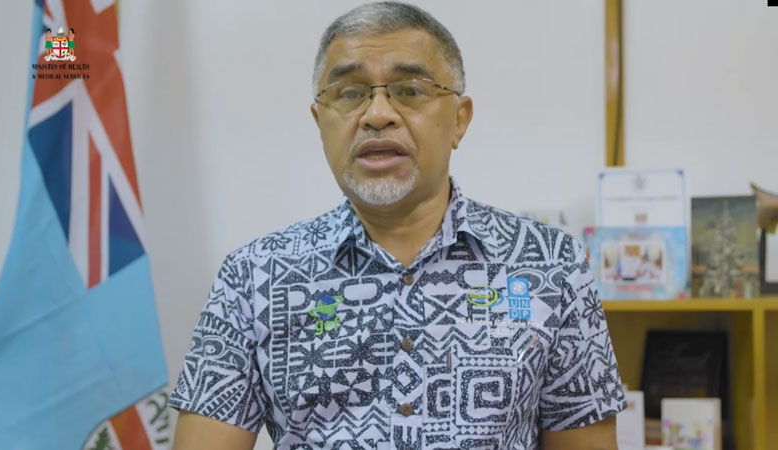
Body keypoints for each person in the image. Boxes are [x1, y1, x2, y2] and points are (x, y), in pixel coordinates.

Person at [169, 2, 626, 449]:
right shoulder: (254, 277)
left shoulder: (551, 266)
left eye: (409, 90)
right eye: (349, 93)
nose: (377, 114)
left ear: (459, 120)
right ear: (319, 121)